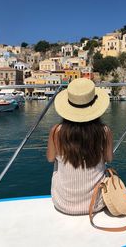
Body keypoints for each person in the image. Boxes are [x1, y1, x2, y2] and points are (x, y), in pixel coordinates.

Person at [47, 78, 113, 215]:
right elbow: (109, 158)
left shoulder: (56, 131)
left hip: (62, 203)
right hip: (96, 204)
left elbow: (50, 158)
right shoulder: (105, 131)